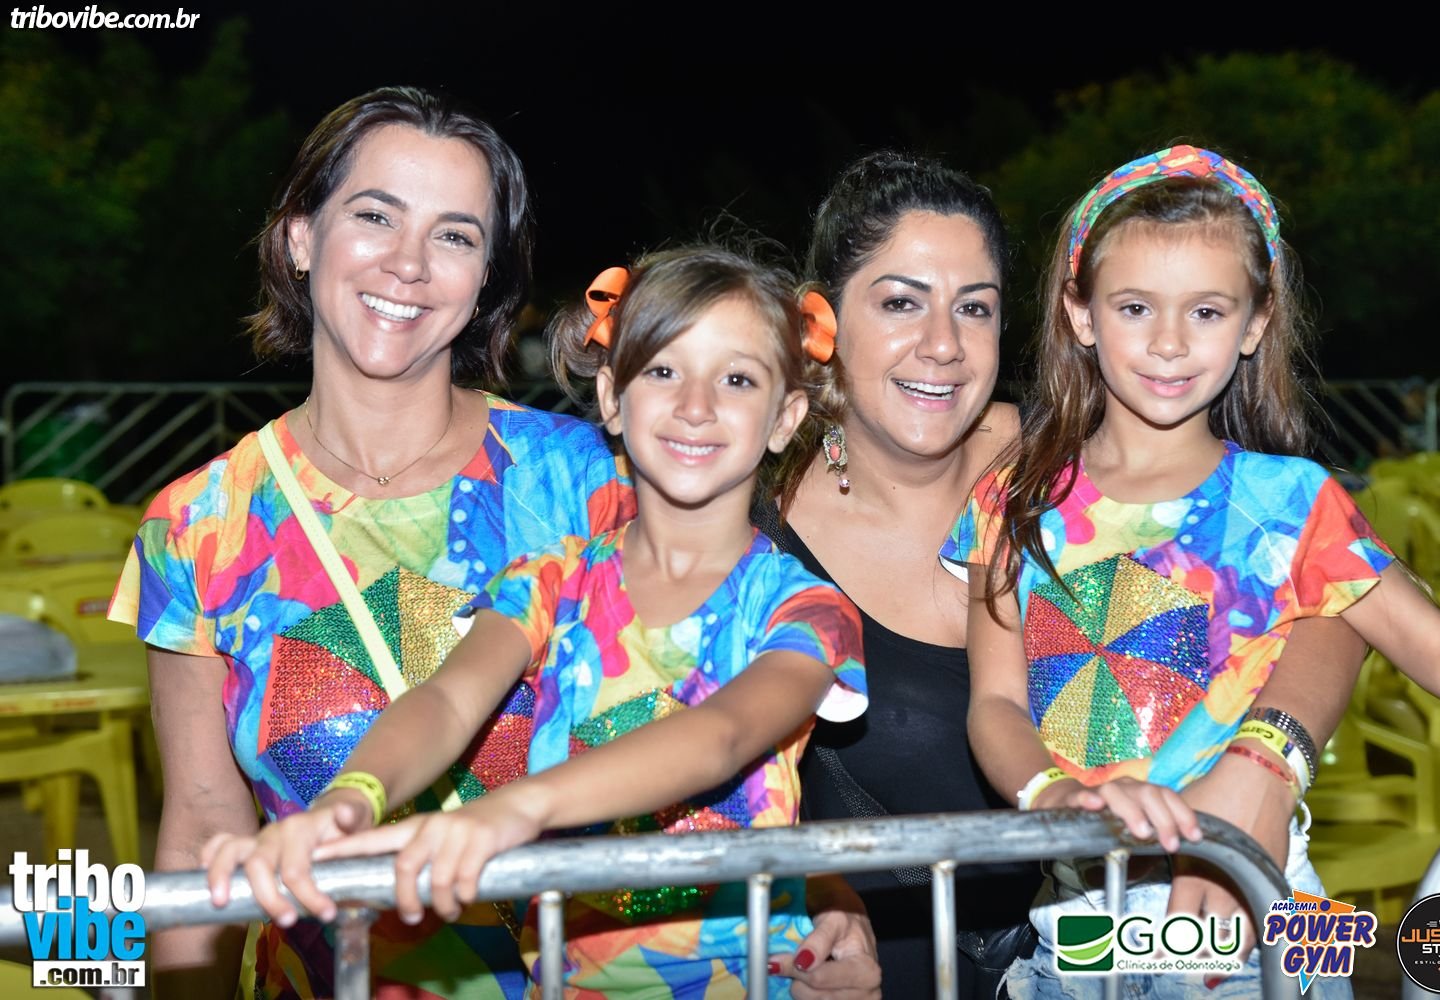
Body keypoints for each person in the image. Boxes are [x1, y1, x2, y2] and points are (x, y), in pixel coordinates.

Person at [759, 150, 1374, 999]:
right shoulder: (749, 523)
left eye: (974, 307)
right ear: (819, 323)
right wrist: (812, 888)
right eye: (900, 302)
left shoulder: (1069, 466)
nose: (942, 345)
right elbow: (714, 766)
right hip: (886, 972)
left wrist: (1268, 764)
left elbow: (1336, 601)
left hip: (1159, 934)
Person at [203, 245, 870, 999]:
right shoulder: (548, 582)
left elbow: (722, 736)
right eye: (662, 370)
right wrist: (350, 800)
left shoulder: (803, 610)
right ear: (612, 397)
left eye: (737, 379)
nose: (695, 405)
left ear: (785, 417)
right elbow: (448, 699)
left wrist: (512, 811)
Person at [106, 86, 636, 999]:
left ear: (485, 280)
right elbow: (200, 827)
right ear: (300, 238)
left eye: (455, 236)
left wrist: (820, 901)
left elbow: (715, 727)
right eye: (375, 216)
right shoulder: (197, 526)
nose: (409, 264)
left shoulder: (588, 484)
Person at [950, 144, 1440, 998]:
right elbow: (994, 703)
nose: (1169, 342)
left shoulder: (1296, 502)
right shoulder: (1012, 499)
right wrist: (1048, 793)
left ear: (1254, 324)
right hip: (1074, 941)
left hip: (1270, 930)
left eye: (1206, 311)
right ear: (1081, 314)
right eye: (1136, 306)